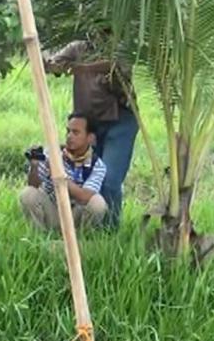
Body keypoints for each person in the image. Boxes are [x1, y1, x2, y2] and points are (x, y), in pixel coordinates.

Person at [45, 38, 138, 228]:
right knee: (89, 177)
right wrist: (48, 63)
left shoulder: (121, 46)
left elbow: (115, 66)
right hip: (90, 125)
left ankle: (110, 232)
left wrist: (81, 68)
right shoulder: (79, 47)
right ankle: (88, 229)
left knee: (110, 179)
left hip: (119, 122)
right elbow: (55, 65)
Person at [19, 113, 108, 231]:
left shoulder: (97, 165)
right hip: (52, 210)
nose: (69, 136)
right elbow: (33, 185)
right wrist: (34, 166)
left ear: (90, 138)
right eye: (68, 131)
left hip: (75, 215)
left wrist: (59, 175)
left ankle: (80, 241)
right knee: (28, 193)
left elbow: (85, 197)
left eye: (75, 132)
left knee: (98, 203)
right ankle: (39, 238)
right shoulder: (53, 152)